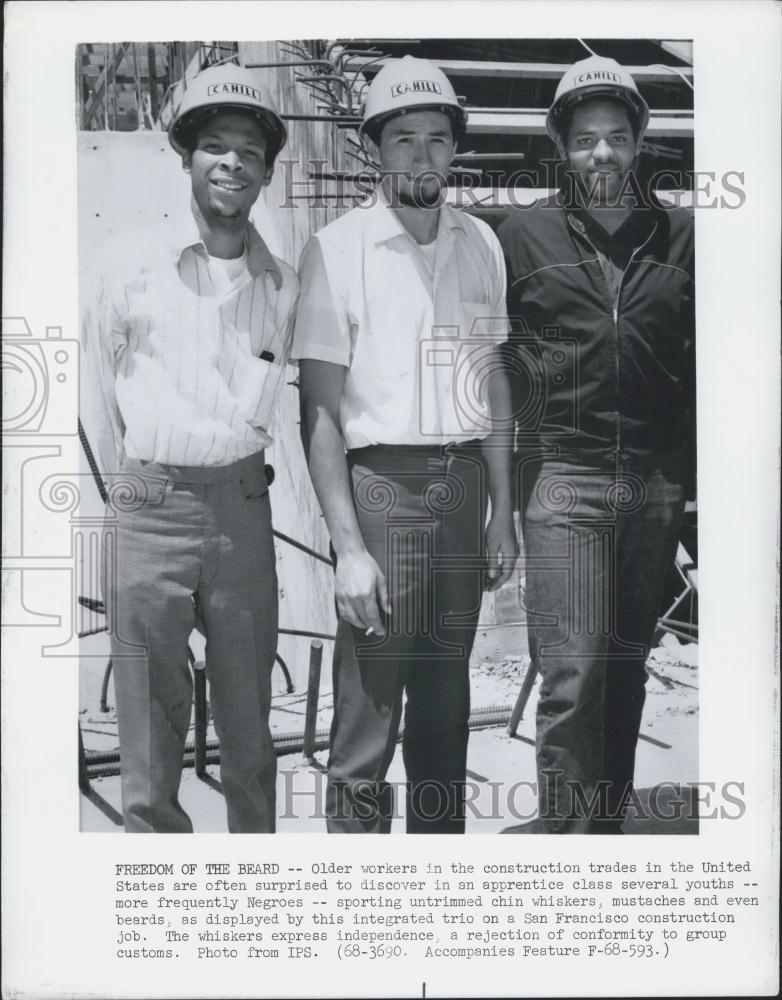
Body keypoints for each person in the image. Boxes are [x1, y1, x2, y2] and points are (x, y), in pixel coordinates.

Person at [292, 56, 517, 833]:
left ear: (455, 148)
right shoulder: (336, 247)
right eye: (403, 139)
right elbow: (319, 411)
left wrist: (500, 513)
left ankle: (435, 890)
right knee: (367, 721)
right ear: (376, 149)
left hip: (463, 491)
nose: (421, 156)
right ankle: (359, 906)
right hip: (381, 493)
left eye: (436, 139)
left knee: (446, 716)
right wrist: (347, 547)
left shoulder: (482, 240)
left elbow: (492, 385)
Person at [80, 63, 298, 833]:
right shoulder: (127, 263)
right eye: (214, 145)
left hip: (242, 510)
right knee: (148, 740)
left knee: (249, 734)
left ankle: (250, 904)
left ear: (268, 170)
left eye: (248, 150)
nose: (231, 163)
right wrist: (134, 492)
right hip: (147, 507)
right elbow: (97, 398)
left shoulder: (286, 283)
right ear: (186, 157)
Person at [498, 56, 695, 833]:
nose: (603, 155)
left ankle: (604, 838)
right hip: (563, 478)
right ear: (560, 145)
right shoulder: (521, 236)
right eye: (585, 140)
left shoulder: (681, 233)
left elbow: (705, 363)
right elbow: (496, 364)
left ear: (640, 142)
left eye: (617, 137)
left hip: (651, 482)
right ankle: (570, 860)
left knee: (625, 669)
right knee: (572, 676)